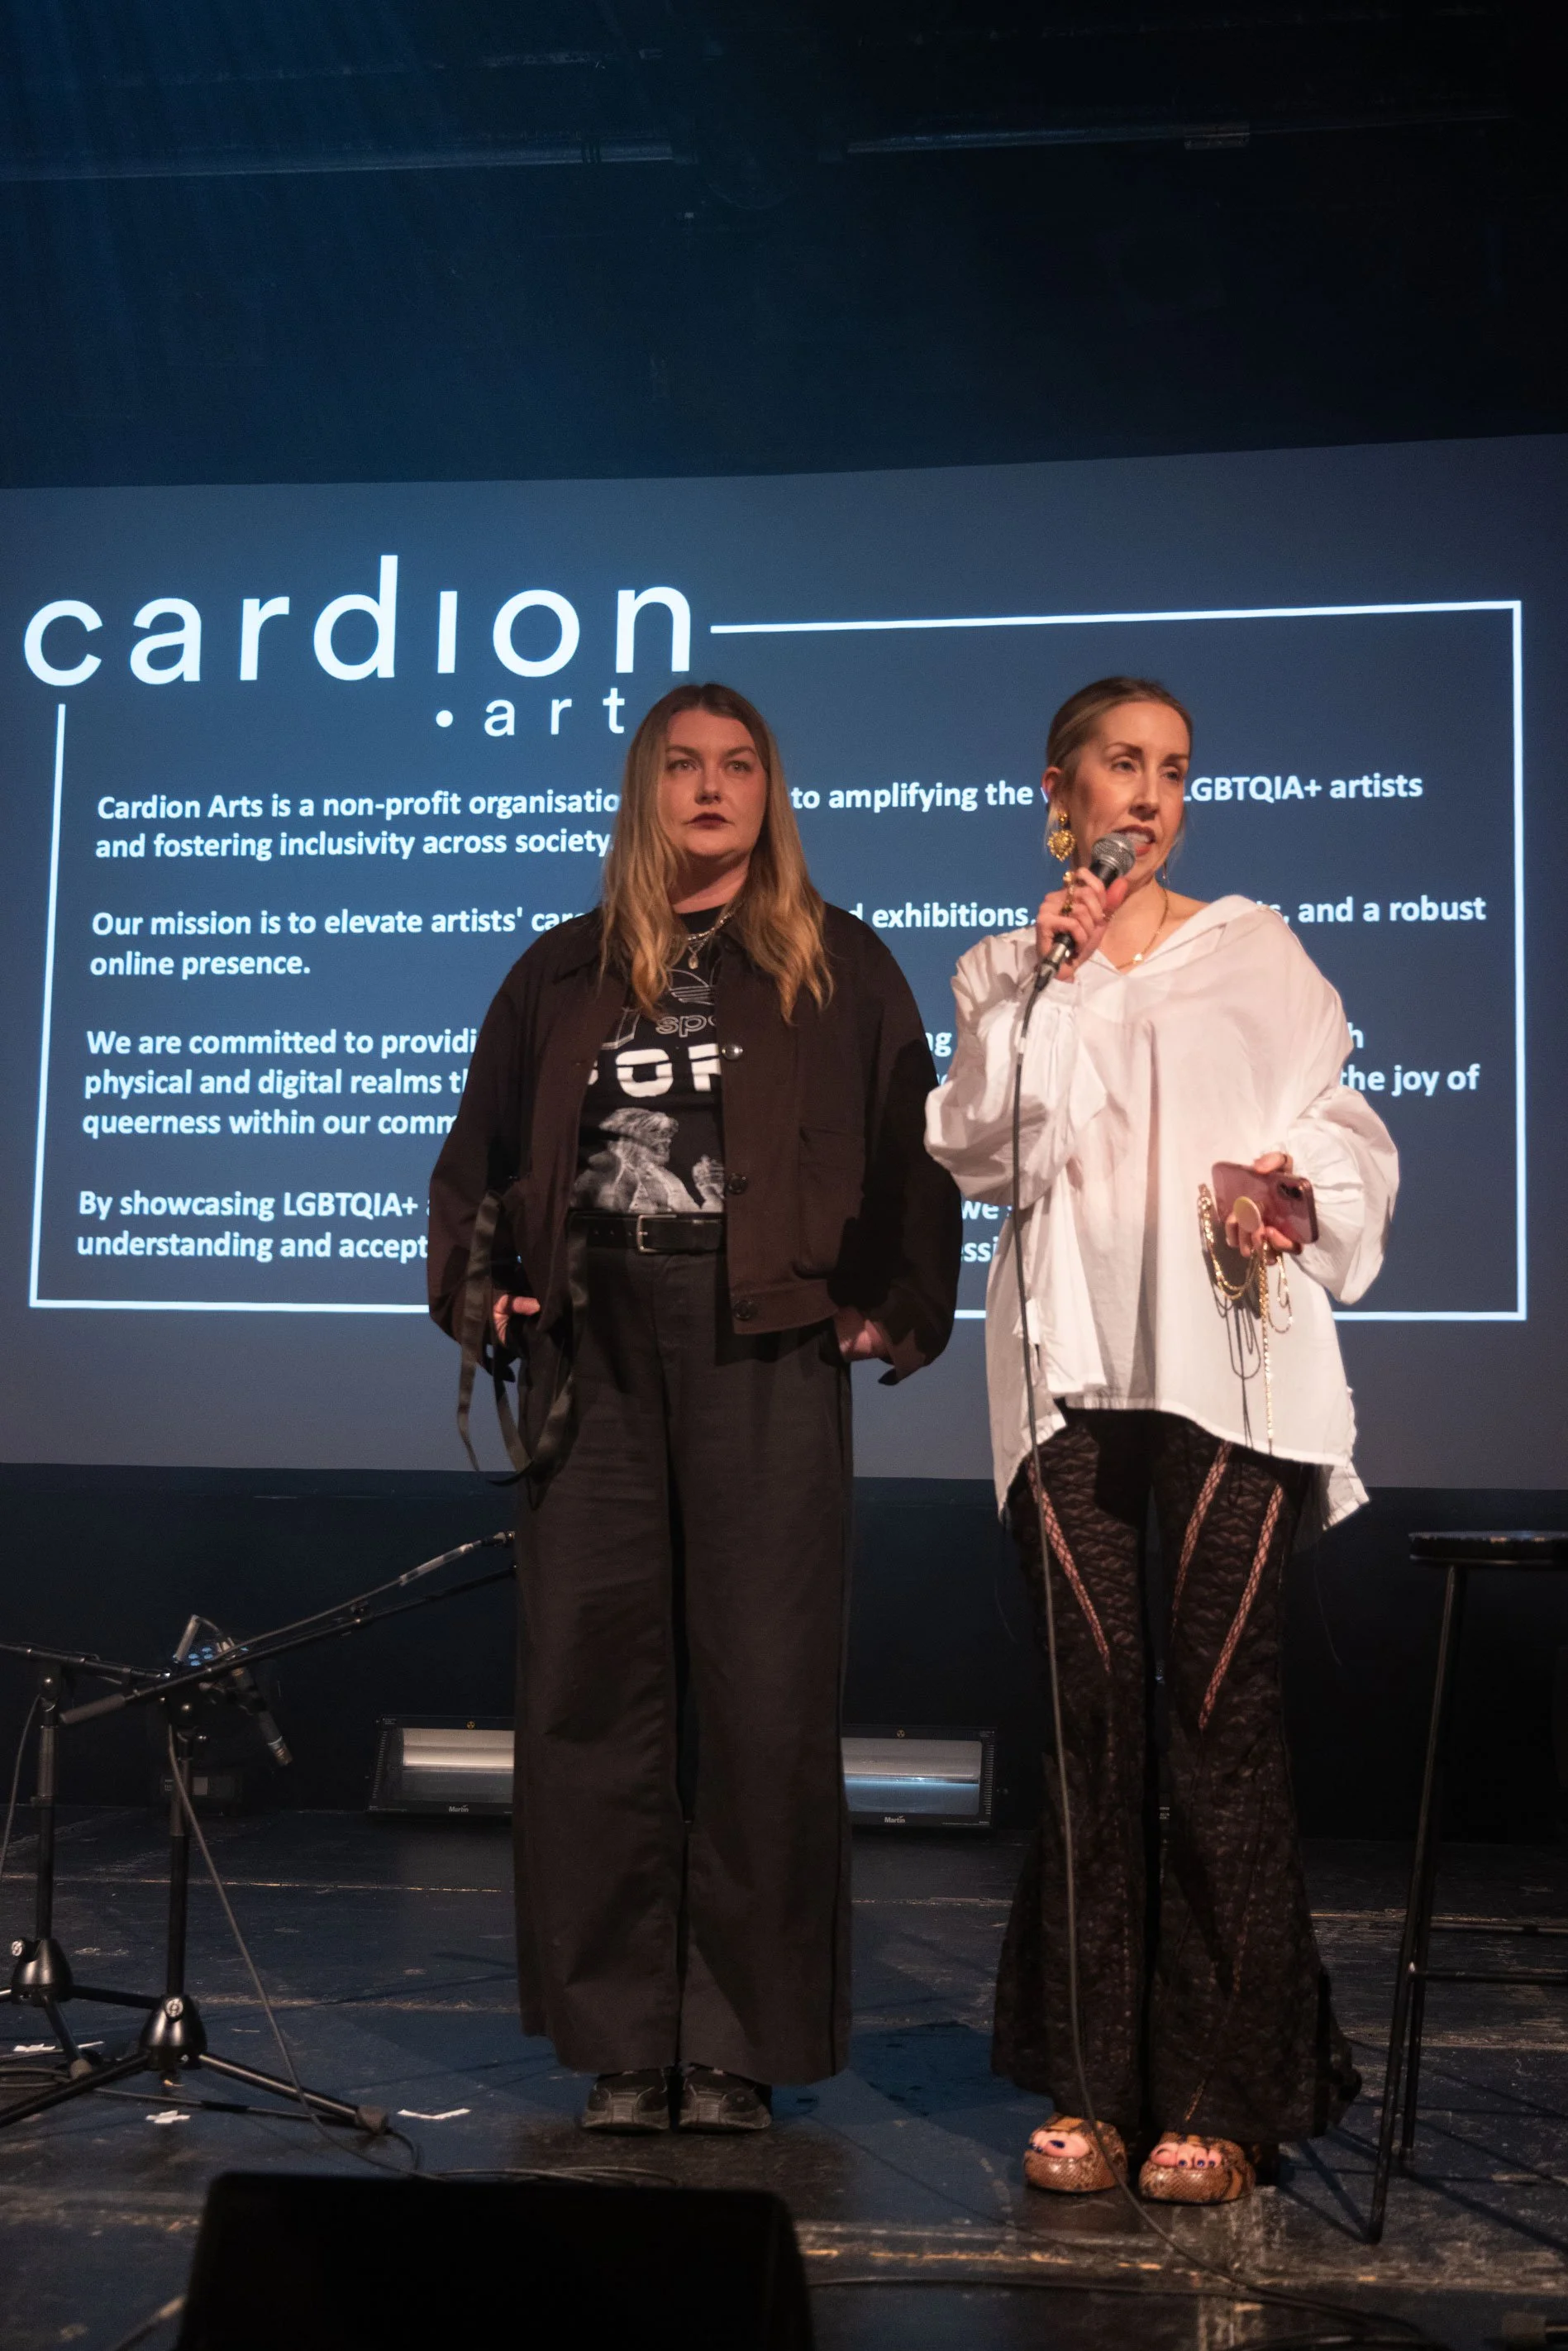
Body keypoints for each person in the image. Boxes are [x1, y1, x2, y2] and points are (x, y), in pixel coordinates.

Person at [429, 681, 960, 2134]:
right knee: (590, 1692)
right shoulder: (562, 972)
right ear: (644, 793)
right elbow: (473, 1173)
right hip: (593, 1347)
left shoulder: (838, 967)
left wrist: (895, 1306)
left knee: (764, 1691)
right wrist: (489, 1297)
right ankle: (622, 2042)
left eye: (738, 767)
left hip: (762, 1346)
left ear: (769, 793)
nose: (712, 789)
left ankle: (733, 2045)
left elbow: (924, 1156)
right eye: (683, 767)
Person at [924, 675, 1398, 2206]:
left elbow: (1345, 1121)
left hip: (1230, 1375)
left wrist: (1291, 1178)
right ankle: (1090, 2082)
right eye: (1122, 766)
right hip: (1070, 1383)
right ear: (1057, 791)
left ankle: (1221, 2092)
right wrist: (1038, 987)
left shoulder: (1250, 949)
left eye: (1174, 771)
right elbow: (979, 1149)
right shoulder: (1013, 962)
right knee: (1090, 1727)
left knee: (1217, 1724)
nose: (1150, 794)